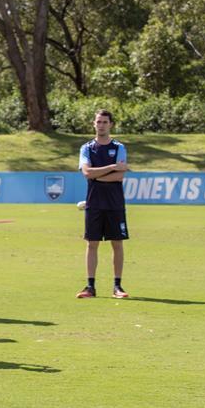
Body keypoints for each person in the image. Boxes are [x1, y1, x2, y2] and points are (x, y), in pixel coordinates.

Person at [76, 109, 129, 299]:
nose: (101, 125)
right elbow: (87, 173)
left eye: (105, 122)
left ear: (111, 125)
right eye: (98, 122)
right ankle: (90, 286)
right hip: (94, 202)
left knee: (117, 243)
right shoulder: (87, 148)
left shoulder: (119, 147)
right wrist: (112, 167)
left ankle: (117, 286)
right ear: (94, 124)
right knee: (92, 244)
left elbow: (120, 176)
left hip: (114, 203)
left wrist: (98, 176)